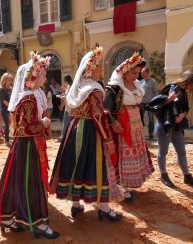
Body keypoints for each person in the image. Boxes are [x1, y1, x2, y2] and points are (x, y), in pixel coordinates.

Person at [0, 52, 60, 239]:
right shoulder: (28, 98)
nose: (45, 77)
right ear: (33, 77)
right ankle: (37, 222)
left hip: (24, 146)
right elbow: (28, 127)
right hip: (28, 145)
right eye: (42, 74)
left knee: (16, 180)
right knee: (31, 183)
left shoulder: (29, 95)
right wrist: (44, 123)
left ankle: (7, 217)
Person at [50, 46, 122, 221]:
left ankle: (76, 205)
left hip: (74, 129)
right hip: (90, 131)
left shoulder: (79, 87)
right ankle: (104, 208)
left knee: (76, 164)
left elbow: (78, 110)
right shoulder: (94, 89)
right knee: (97, 166)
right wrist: (107, 139)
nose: (101, 68)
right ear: (91, 69)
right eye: (98, 66)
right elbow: (96, 116)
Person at [104, 52, 154, 201]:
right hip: (122, 124)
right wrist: (114, 123)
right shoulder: (114, 87)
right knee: (122, 152)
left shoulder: (137, 84)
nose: (136, 76)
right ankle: (121, 186)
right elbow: (106, 109)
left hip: (135, 123)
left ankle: (130, 182)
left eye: (137, 73)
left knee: (135, 150)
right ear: (124, 72)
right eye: (133, 73)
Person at [152, 70, 193, 187]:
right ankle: (163, 175)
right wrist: (167, 101)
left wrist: (182, 115)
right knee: (163, 152)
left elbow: (186, 108)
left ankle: (187, 176)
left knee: (181, 152)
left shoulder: (184, 91)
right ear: (189, 80)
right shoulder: (170, 87)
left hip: (177, 127)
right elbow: (155, 106)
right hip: (165, 126)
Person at [139, 67, 158, 139]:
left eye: (143, 72)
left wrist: (154, 102)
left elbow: (155, 93)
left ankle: (150, 133)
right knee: (141, 118)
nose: (142, 74)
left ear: (147, 73)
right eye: (141, 73)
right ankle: (141, 133)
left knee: (151, 119)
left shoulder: (153, 81)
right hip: (142, 103)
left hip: (150, 103)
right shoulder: (141, 82)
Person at [0, 73, 14, 147]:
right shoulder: (2, 89)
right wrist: (11, 107)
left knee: (12, 124)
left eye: (11, 80)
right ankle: (7, 140)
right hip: (5, 110)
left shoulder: (10, 88)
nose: (10, 82)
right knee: (7, 125)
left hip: (11, 109)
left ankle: (11, 138)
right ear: (4, 80)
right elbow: (4, 101)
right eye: (9, 80)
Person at [57, 75, 73, 142]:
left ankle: (63, 137)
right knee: (67, 122)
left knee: (67, 123)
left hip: (70, 108)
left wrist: (63, 98)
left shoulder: (72, 87)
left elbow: (69, 97)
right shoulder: (69, 87)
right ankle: (64, 136)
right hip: (68, 107)